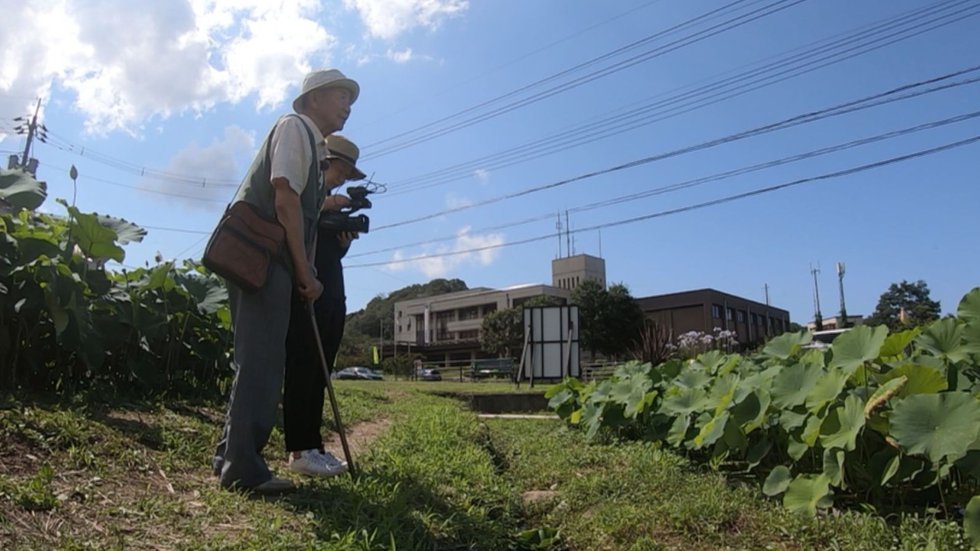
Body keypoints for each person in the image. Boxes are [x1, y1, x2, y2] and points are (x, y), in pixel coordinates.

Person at [211, 69, 359, 494]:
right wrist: (304, 270)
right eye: (340, 96)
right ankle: (243, 470)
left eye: (350, 99)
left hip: (272, 262)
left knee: (258, 361)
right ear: (312, 98)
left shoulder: (311, 142)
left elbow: (304, 217)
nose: (347, 105)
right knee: (261, 363)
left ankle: (230, 457)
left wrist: (305, 270)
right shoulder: (295, 128)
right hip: (264, 261)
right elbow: (285, 200)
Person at [282, 134, 366, 477]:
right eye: (340, 172)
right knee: (304, 367)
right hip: (308, 289)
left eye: (347, 175)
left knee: (321, 369)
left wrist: (343, 241)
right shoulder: (306, 195)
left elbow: (329, 251)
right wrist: (329, 205)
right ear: (325, 163)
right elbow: (290, 216)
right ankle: (299, 450)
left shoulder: (329, 201)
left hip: (332, 289)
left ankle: (313, 446)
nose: (342, 180)